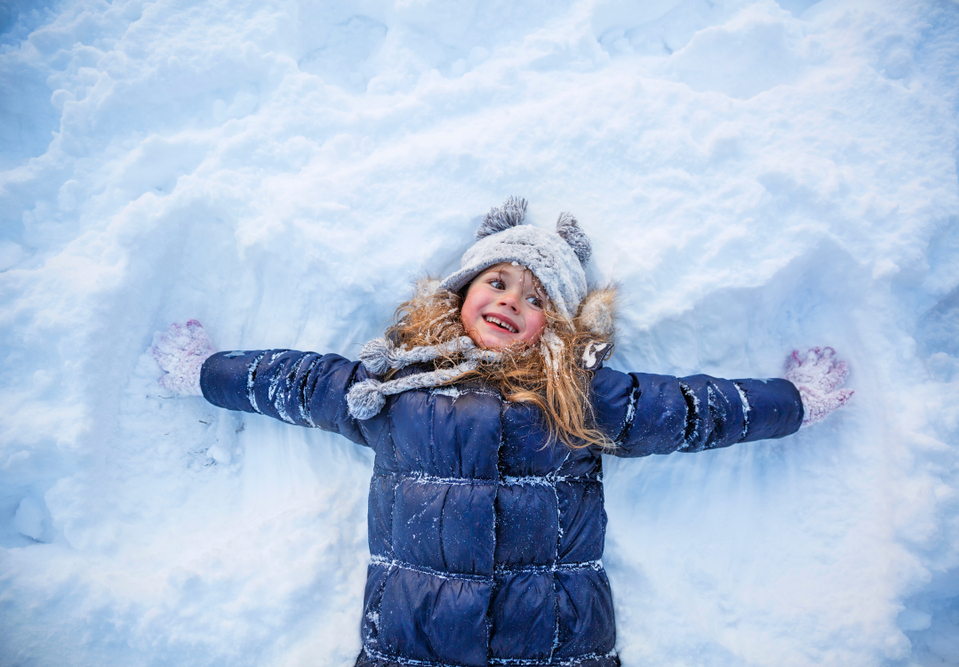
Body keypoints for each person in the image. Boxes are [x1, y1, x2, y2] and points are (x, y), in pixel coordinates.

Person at [151, 197, 853, 667]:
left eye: (537, 296)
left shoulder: (577, 397)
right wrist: (204, 371)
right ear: (460, 293)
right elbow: (296, 381)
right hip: (412, 645)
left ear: (561, 322)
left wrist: (795, 400)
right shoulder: (393, 387)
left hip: (552, 646)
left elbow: (693, 409)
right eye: (498, 282)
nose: (512, 301)